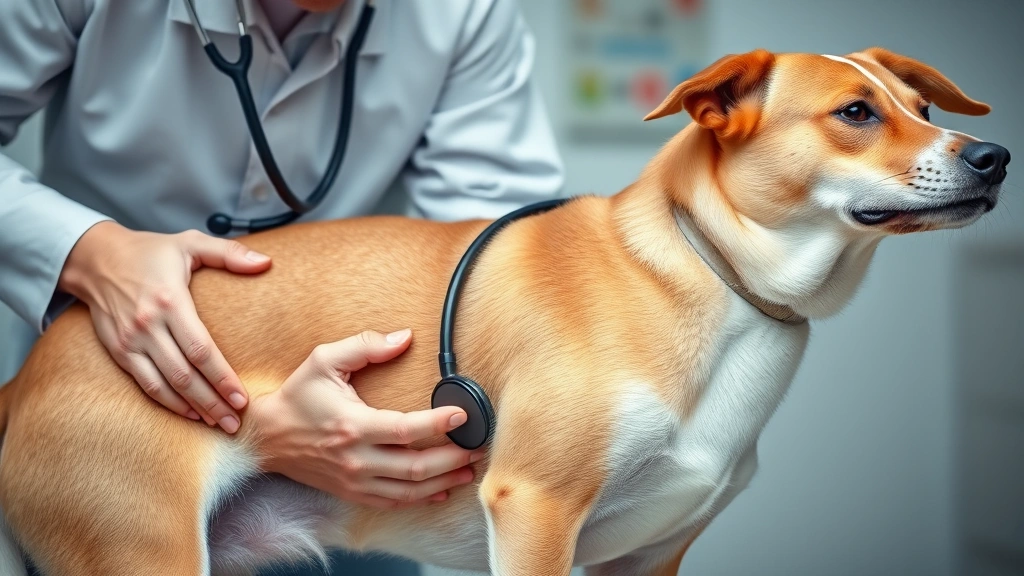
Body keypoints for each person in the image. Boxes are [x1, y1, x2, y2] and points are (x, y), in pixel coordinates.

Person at [0, 0, 564, 574]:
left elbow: (496, 268)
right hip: (113, 386)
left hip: (356, 430)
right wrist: (89, 251)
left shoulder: (463, 13)